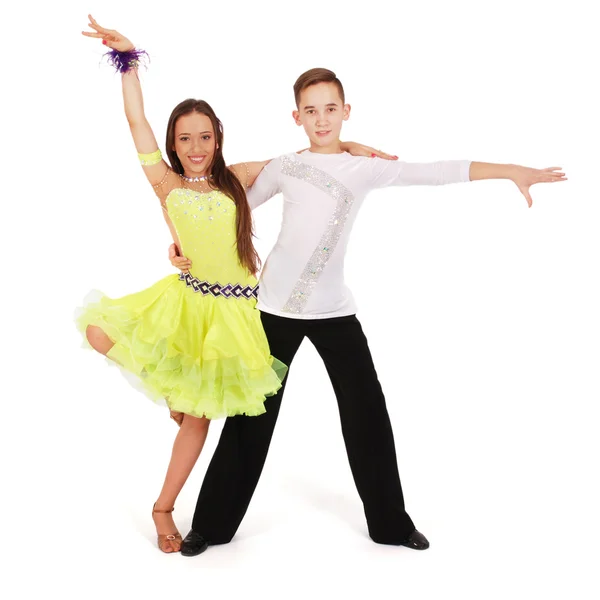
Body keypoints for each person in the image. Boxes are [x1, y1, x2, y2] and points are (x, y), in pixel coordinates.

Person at [170, 67, 567, 556]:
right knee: (252, 418)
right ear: (296, 116)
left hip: (335, 315)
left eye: (330, 109)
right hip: (273, 312)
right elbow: (229, 215)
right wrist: (180, 249)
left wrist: (510, 171)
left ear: (346, 112)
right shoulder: (285, 167)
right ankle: (209, 526)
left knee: (367, 415)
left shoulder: (367, 168)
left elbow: (435, 171)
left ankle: (391, 524)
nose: (321, 119)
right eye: (310, 110)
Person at [78, 17, 391, 554]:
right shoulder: (166, 184)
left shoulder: (239, 176)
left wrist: (354, 143)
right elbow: (136, 124)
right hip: (187, 304)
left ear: (218, 138)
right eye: (184, 139)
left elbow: (305, 158)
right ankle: (173, 411)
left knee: (200, 420)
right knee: (100, 333)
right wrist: (127, 62)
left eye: (204, 136)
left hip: (239, 314)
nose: (195, 146)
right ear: (174, 146)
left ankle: (163, 507)